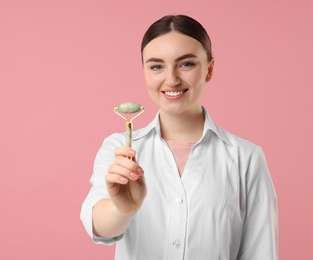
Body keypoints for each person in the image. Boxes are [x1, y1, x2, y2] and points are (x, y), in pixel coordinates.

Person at [80, 14, 278, 260]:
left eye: (186, 64)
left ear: (209, 69)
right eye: (156, 66)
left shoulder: (246, 158)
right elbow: (98, 227)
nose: (171, 79)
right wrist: (123, 209)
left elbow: (260, 252)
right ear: (144, 71)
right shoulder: (119, 148)